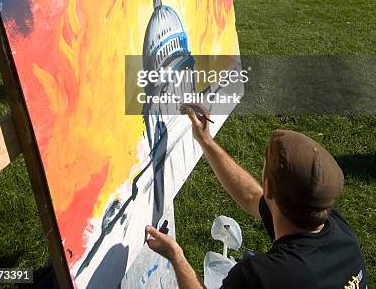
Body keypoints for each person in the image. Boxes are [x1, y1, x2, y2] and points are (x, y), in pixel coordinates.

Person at [146, 112, 369, 289]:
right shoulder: (340, 232)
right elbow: (252, 196)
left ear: (269, 187)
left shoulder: (264, 277)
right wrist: (206, 141)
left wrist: (176, 256)